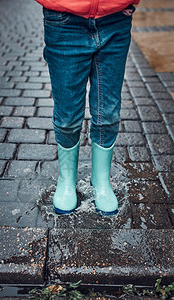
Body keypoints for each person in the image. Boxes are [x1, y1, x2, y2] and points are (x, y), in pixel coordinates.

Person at [35, 0, 140, 215]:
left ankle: (101, 180)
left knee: (108, 112)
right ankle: (67, 179)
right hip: (64, 20)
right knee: (67, 116)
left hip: (115, 18)